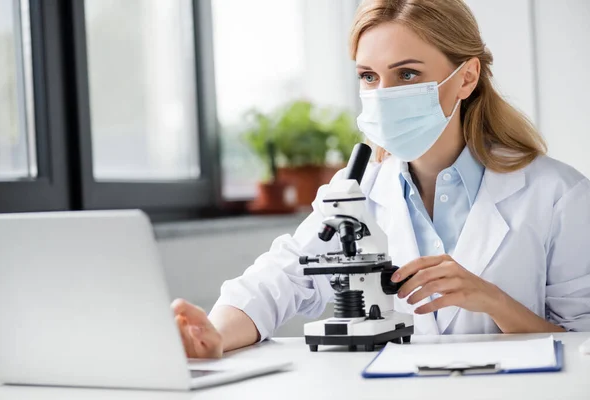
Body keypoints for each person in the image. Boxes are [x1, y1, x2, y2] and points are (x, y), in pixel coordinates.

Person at [172, 0, 590, 359]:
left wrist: (493, 301)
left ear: (466, 77)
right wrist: (214, 335)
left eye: (407, 75)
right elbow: (277, 282)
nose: (383, 93)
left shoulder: (557, 195)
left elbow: (583, 345)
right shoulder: (358, 192)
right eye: (369, 76)